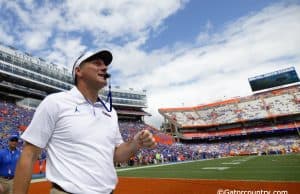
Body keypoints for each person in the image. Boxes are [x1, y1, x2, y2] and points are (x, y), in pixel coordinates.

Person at [13, 49, 156, 194]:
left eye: (105, 65)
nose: (104, 68)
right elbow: (29, 154)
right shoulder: (55, 102)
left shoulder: (111, 112)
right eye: (97, 63)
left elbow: (116, 155)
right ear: (78, 71)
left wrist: (136, 143)